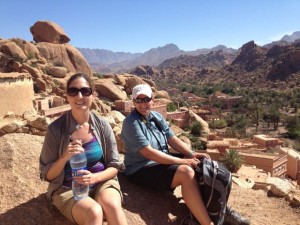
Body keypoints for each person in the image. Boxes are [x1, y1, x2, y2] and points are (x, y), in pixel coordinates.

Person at [121, 84, 250, 225]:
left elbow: (172, 139)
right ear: (133, 102)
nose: (143, 104)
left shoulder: (156, 117)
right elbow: (149, 153)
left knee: (205, 167)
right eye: (138, 100)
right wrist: (183, 162)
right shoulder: (131, 123)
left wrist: (191, 154)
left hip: (159, 163)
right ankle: (206, 222)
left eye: (146, 99)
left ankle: (220, 210)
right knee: (186, 172)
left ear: (153, 99)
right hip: (141, 168)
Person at [40, 73, 128, 225]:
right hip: (68, 188)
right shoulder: (56, 129)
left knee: (112, 206)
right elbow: (47, 175)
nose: (79, 96)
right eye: (73, 91)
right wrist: (64, 157)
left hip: (102, 182)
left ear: (93, 95)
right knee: (94, 212)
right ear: (67, 96)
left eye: (85, 91)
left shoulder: (102, 125)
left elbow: (115, 165)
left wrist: (95, 178)